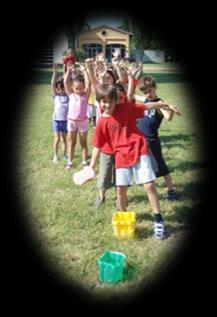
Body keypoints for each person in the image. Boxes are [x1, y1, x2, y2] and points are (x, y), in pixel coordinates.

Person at [89, 84, 180, 239]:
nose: (107, 104)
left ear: (116, 100)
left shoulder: (126, 108)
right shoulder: (101, 124)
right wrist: (91, 167)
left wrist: (166, 104)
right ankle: (123, 217)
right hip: (121, 156)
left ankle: (158, 219)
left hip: (139, 149)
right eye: (103, 101)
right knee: (120, 189)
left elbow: (147, 106)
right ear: (98, 102)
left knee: (149, 184)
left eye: (110, 101)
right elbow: (97, 146)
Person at [137, 76, 181, 201]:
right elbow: (134, 97)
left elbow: (168, 118)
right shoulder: (145, 100)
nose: (148, 94)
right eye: (145, 92)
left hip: (152, 140)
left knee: (161, 166)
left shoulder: (160, 103)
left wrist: (170, 109)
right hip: (141, 139)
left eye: (150, 91)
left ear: (155, 88)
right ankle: (148, 183)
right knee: (144, 163)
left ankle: (171, 190)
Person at [64, 64, 91, 169]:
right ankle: (70, 162)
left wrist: (85, 71)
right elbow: (66, 82)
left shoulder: (85, 95)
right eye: (77, 88)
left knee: (83, 143)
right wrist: (68, 71)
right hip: (72, 122)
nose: (79, 90)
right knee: (72, 142)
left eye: (81, 88)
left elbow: (89, 83)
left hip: (83, 122)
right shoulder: (71, 95)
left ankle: (85, 161)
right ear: (72, 88)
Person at [51, 64, 69, 163]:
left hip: (65, 121)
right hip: (56, 120)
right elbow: (52, 84)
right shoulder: (56, 96)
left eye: (62, 89)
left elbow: (67, 83)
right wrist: (55, 72)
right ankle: (55, 155)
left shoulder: (68, 96)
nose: (60, 91)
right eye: (58, 89)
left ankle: (65, 155)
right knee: (57, 139)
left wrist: (66, 71)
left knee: (64, 139)